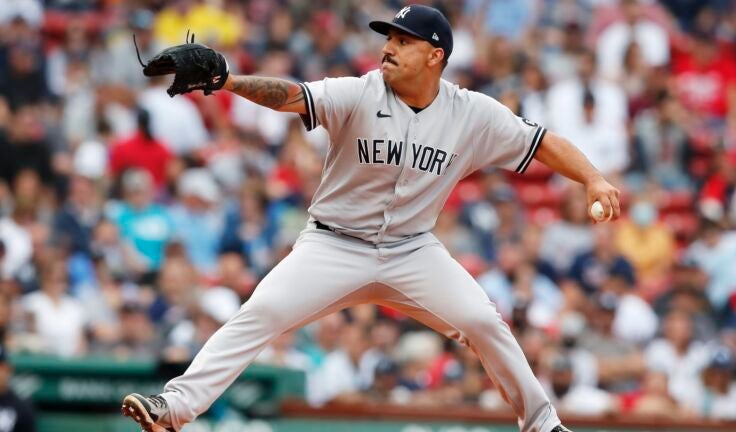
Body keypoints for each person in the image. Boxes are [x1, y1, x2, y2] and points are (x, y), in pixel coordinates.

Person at [121, 5, 620, 432]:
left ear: (435, 55)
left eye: (403, 41)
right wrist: (228, 81)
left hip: (412, 250)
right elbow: (291, 94)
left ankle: (543, 424)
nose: (388, 48)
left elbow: (544, 143)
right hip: (333, 245)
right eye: (388, 39)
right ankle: (175, 406)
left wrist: (593, 179)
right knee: (261, 312)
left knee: (482, 321)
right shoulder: (360, 92)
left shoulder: (473, 113)